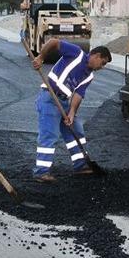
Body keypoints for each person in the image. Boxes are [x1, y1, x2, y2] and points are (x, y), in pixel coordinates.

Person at [31, 39, 111, 183]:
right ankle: (41, 172)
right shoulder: (76, 53)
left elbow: (78, 94)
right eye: (103, 62)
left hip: (63, 101)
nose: (102, 67)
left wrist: (72, 113)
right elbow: (54, 42)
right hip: (49, 97)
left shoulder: (89, 75)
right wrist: (41, 57)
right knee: (49, 134)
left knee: (76, 130)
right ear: (96, 56)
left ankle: (80, 165)